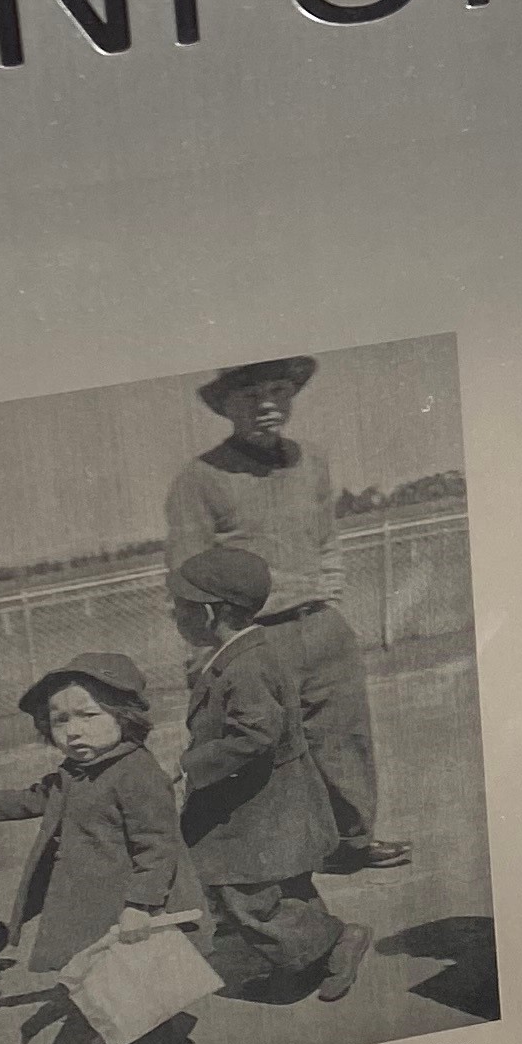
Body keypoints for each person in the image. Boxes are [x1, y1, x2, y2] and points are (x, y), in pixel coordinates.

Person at [166, 358, 406, 872]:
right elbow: (187, 577)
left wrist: (331, 587)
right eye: (251, 395)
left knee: (345, 737)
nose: (267, 404)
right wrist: (204, 656)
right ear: (226, 406)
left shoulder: (312, 461)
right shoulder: (199, 478)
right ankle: (278, 856)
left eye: (278, 390)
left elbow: (327, 539)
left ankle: (353, 842)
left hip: (321, 625)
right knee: (262, 747)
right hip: (255, 637)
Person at [0, 655, 198, 1044]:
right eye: (59, 721)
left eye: (88, 716)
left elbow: (157, 845)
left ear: (124, 715)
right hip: (94, 904)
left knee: (134, 987)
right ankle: (143, 1038)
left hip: (128, 903)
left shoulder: (134, 772)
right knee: (113, 982)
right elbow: (37, 797)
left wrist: (141, 905)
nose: (73, 730)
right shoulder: (79, 770)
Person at [171, 546, 370, 1006]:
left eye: (179, 606)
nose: (173, 614)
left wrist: (188, 766)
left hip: (258, 808)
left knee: (246, 895)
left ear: (207, 613)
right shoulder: (244, 654)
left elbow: (256, 734)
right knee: (284, 884)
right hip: (270, 802)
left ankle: (337, 940)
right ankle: (308, 960)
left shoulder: (245, 666)